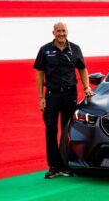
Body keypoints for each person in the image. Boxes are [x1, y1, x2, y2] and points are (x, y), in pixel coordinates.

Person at [34, 22, 95, 179]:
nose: (61, 34)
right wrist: (41, 97)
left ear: (67, 32)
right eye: (58, 31)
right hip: (52, 95)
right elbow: (40, 74)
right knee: (51, 130)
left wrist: (87, 87)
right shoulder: (45, 50)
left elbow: (82, 69)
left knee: (67, 130)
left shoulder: (75, 49)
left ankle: (67, 165)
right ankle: (54, 166)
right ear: (53, 32)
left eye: (64, 31)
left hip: (70, 94)